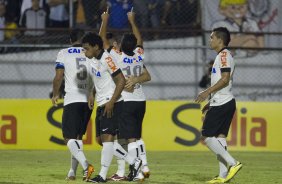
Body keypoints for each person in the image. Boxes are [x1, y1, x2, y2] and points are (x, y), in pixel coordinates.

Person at [81, 32, 142, 182]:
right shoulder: (94, 59)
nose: (85, 51)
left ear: (96, 47)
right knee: (101, 140)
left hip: (111, 103)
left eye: (87, 48)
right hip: (101, 103)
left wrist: (112, 102)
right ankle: (134, 162)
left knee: (108, 141)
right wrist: (92, 94)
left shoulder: (107, 59)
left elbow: (120, 81)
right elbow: (98, 80)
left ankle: (101, 175)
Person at [99, 8, 151, 181]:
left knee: (128, 138)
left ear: (121, 45)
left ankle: (137, 169)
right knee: (135, 135)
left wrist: (105, 20)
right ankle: (144, 166)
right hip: (141, 100)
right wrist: (132, 20)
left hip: (126, 100)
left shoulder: (117, 57)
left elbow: (102, 41)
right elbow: (140, 39)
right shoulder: (139, 56)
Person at [195, 27, 242, 184]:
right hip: (223, 101)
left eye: (212, 37)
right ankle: (222, 176)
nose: (210, 40)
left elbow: (225, 79)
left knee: (207, 137)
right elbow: (222, 82)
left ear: (220, 40)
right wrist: (210, 101)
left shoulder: (223, 56)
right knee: (220, 138)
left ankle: (233, 163)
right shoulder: (222, 56)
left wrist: (205, 92)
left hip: (223, 102)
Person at [51, 29, 94, 181]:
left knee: (68, 138)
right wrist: (93, 94)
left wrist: (55, 93)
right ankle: (72, 172)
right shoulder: (90, 52)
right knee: (77, 138)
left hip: (73, 99)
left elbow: (58, 77)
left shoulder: (64, 52)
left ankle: (85, 165)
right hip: (88, 100)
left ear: (70, 40)